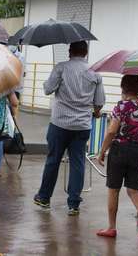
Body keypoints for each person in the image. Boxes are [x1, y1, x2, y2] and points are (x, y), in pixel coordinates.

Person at [33, 41, 105, 216]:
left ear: (69, 52)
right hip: (82, 125)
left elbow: (48, 89)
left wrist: (49, 80)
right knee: (78, 163)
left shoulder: (61, 68)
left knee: (53, 160)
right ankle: (73, 204)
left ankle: (44, 197)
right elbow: (99, 102)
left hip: (60, 124)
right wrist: (95, 113)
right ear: (86, 52)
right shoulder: (95, 73)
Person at [97, 75, 138, 241]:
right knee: (133, 189)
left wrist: (102, 151)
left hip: (120, 150)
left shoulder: (121, 106)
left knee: (114, 189)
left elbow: (112, 131)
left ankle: (111, 228)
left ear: (123, 88)